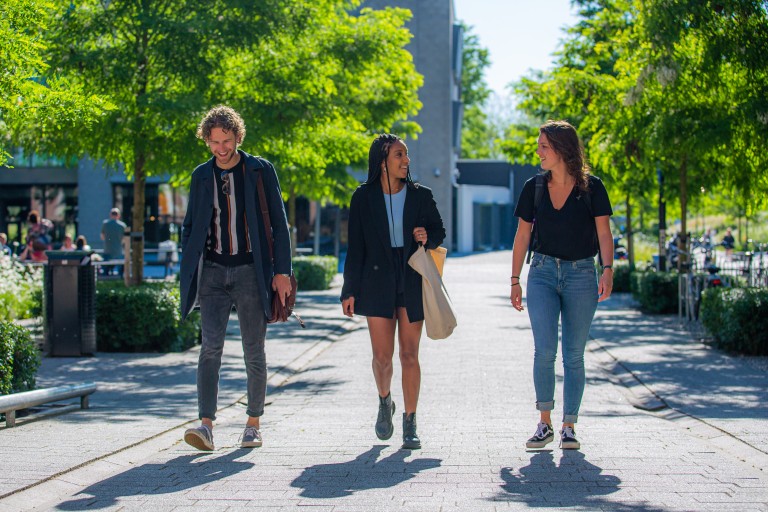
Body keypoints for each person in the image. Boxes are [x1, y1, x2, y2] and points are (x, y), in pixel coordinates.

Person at [179, 105, 292, 451]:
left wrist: (282, 272)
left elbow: (279, 223)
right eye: (214, 142)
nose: (221, 148)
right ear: (207, 141)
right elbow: (190, 226)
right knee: (209, 348)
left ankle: (253, 424)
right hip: (211, 272)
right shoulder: (201, 176)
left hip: (249, 271)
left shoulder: (259, 170)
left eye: (226, 141)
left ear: (237, 137)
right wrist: (189, 267)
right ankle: (206, 425)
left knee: (252, 349)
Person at [509, 120, 613, 451]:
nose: (538, 151)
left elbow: (603, 232)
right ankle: (544, 424)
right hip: (541, 272)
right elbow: (522, 234)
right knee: (544, 350)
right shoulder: (534, 187)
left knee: (573, 354)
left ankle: (569, 425)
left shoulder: (592, 188)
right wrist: (514, 279)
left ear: (562, 148)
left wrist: (607, 269)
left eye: (544, 146)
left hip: (582, 274)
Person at [341, 133, 446, 450]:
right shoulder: (363, 197)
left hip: (411, 279)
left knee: (409, 355)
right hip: (375, 283)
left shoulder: (420, 195)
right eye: (400, 155)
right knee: (382, 358)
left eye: (407, 155)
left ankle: (410, 422)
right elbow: (355, 247)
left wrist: (426, 234)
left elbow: (440, 232)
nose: (406, 161)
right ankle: (385, 400)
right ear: (383, 161)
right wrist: (349, 289)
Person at [101, 207, 127, 276]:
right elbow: (124, 239)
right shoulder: (122, 226)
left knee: (105, 269)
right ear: (118, 215)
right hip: (118, 251)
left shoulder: (105, 224)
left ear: (110, 214)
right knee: (120, 268)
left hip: (107, 250)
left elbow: (102, 237)